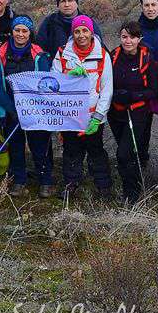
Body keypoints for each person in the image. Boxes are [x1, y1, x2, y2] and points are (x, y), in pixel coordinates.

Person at [0, 15, 54, 196]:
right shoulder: (1, 53)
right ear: (12, 31)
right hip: (10, 109)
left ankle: (46, 180)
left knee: (39, 145)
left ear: (30, 33)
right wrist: (11, 109)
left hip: (35, 110)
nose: (20, 34)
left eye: (24, 31)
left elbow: (44, 81)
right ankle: (18, 180)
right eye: (17, 30)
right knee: (16, 146)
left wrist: (33, 107)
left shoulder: (38, 54)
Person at [52, 14, 114, 198]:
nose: (81, 35)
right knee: (71, 150)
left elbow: (107, 89)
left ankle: (103, 186)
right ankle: (71, 183)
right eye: (77, 31)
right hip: (70, 115)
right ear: (73, 33)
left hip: (93, 116)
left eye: (85, 30)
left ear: (91, 32)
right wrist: (68, 77)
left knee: (96, 150)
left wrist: (98, 117)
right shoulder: (63, 53)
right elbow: (53, 81)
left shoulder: (102, 55)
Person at [109, 20, 158, 204]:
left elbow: (153, 90)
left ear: (139, 39)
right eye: (124, 36)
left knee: (124, 153)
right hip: (116, 113)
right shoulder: (113, 56)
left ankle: (131, 194)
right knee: (126, 155)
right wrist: (115, 95)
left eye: (132, 37)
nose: (127, 40)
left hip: (138, 114)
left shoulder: (147, 59)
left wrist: (133, 95)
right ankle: (132, 185)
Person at [36, 0, 102, 52]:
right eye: (63, 1)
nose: (67, 5)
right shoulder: (49, 22)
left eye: (70, 0)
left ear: (76, 3)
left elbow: (99, 47)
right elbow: (39, 48)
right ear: (58, 5)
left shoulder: (88, 21)